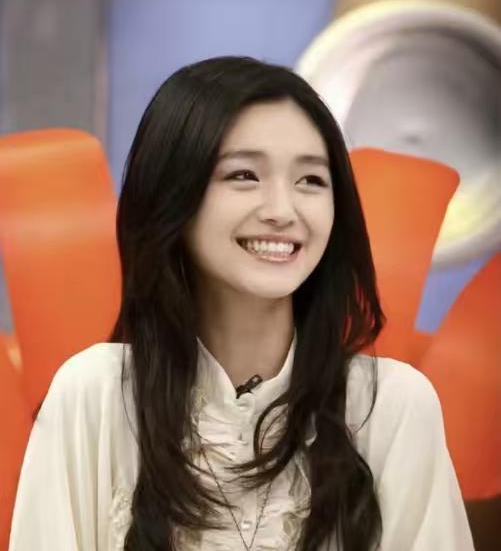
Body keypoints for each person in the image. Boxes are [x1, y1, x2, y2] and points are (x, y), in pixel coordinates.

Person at [8, 56, 474, 551]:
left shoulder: (392, 406)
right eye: (245, 175)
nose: (282, 211)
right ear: (173, 194)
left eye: (311, 180)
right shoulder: (96, 395)